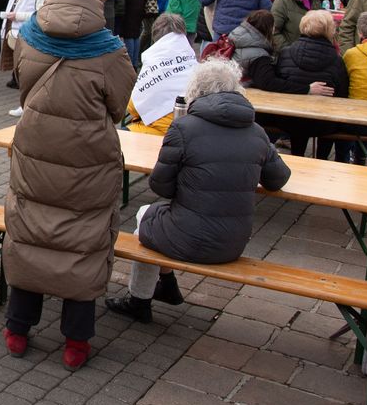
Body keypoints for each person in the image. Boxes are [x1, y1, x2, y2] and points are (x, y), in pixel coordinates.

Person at [1, 0, 135, 368]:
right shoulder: (111, 50)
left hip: (35, 148)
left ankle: (18, 328)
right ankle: (76, 342)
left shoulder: (32, 35)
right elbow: (118, 107)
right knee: (83, 240)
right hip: (88, 159)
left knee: (31, 232)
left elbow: (22, 83)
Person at [105, 58, 290, 322]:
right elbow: (278, 179)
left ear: (195, 91)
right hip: (233, 243)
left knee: (143, 217)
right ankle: (166, 285)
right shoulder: (257, 132)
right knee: (157, 217)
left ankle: (140, 300)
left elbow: (161, 187)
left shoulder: (183, 128)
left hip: (189, 238)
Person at [275, 10, 349, 157]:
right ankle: (322, 158)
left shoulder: (285, 53)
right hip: (323, 122)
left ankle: (297, 157)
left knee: (300, 127)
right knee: (329, 121)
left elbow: (279, 83)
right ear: (330, 30)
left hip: (290, 119)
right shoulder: (336, 59)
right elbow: (342, 93)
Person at [126, 13, 192, 136]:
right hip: (189, 135)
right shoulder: (195, 66)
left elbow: (133, 107)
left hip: (156, 134)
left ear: (155, 37)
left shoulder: (153, 65)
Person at [0, 0, 47, 111]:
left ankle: (26, 105)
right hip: (16, 33)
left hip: (29, 35)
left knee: (26, 73)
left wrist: (17, 16)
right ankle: (25, 103)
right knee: (20, 72)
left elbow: (41, 13)